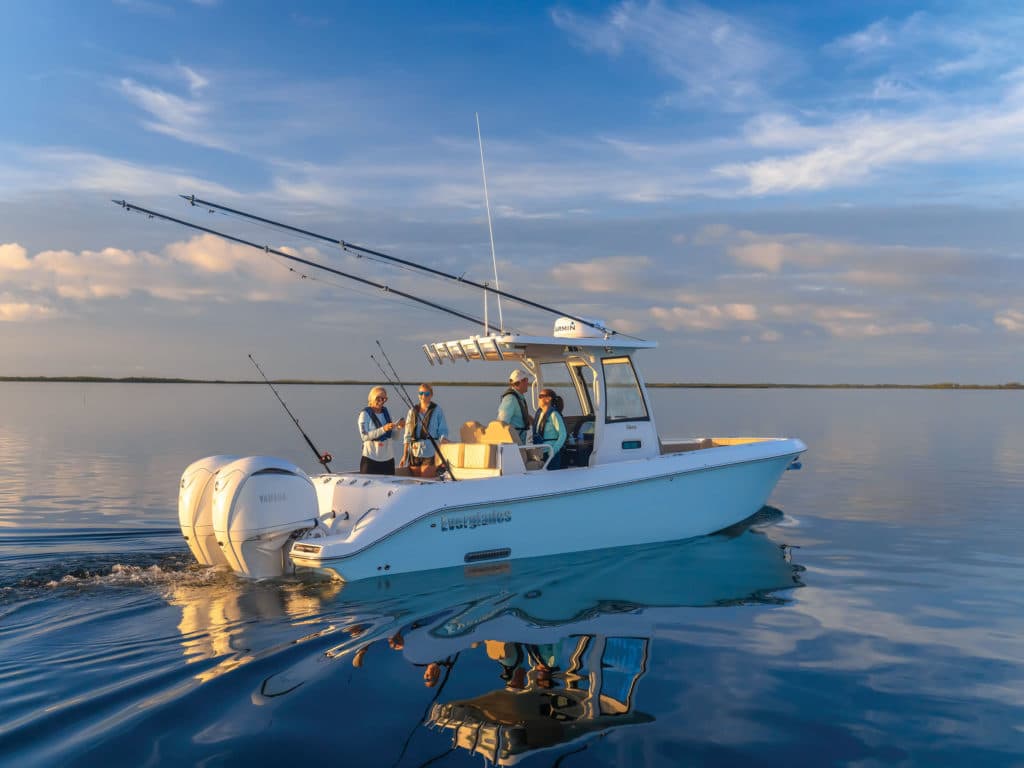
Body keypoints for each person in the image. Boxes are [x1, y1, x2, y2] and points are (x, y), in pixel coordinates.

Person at [400, 383, 449, 478]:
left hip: (430, 450)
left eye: (426, 394)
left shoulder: (437, 410)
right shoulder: (412, 411)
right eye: (421, 393)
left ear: (431, 395)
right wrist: (404, 456)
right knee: (416, 480)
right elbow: (407, 435)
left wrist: (443, 439)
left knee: (425, 478)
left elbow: (443, 430)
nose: (423, 396)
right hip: (414, 451)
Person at [358, 386, 405, 475]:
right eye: (378, 398)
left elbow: (394, 437)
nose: (381, 401)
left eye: (384, 399)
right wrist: (383, 429)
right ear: (371, 398)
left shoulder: (386, 413)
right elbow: (364, 436)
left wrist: (399, 428)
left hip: (388, 460)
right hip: (370, 459)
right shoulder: (364, 414)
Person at [532, 388, 567, 470]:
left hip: (551, 453)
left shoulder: (554, 415)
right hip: (540, 453)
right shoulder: (540, 414)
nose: (538, 398)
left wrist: (553, 450)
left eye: (541, 396)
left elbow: (563, 434)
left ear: (548, 399)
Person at [497, 368, 533, 444]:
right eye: (526, 380)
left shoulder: (519, 397)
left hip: (520, 440)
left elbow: (521, 414)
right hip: (514, 442)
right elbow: (502, 422)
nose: (528, 383)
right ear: (520, 382)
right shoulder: (510, 399)